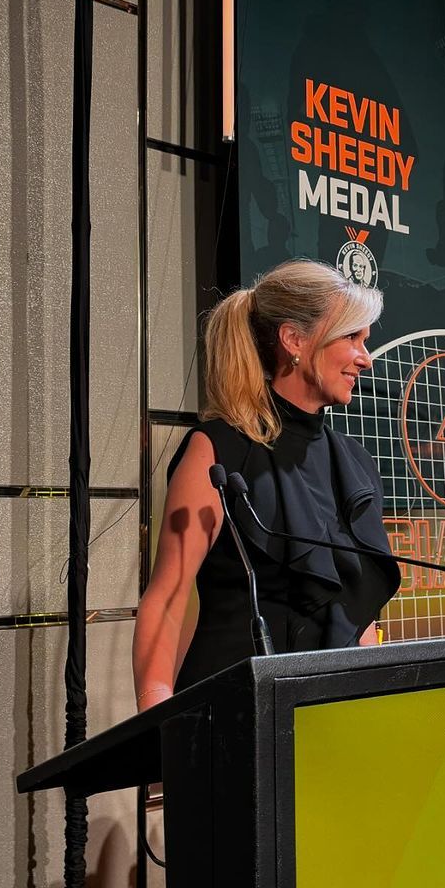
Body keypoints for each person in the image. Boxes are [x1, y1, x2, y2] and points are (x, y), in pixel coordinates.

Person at [132, 260, 402, 711]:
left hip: (329, 715)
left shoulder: (355, 464)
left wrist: (370, 705)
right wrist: (156, 716)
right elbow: (166, 598)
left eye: (365, 341)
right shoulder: (217, 448)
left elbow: (357, 618)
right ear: (294, 340)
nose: (365, 358)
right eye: (352, 337)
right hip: (232, 711)